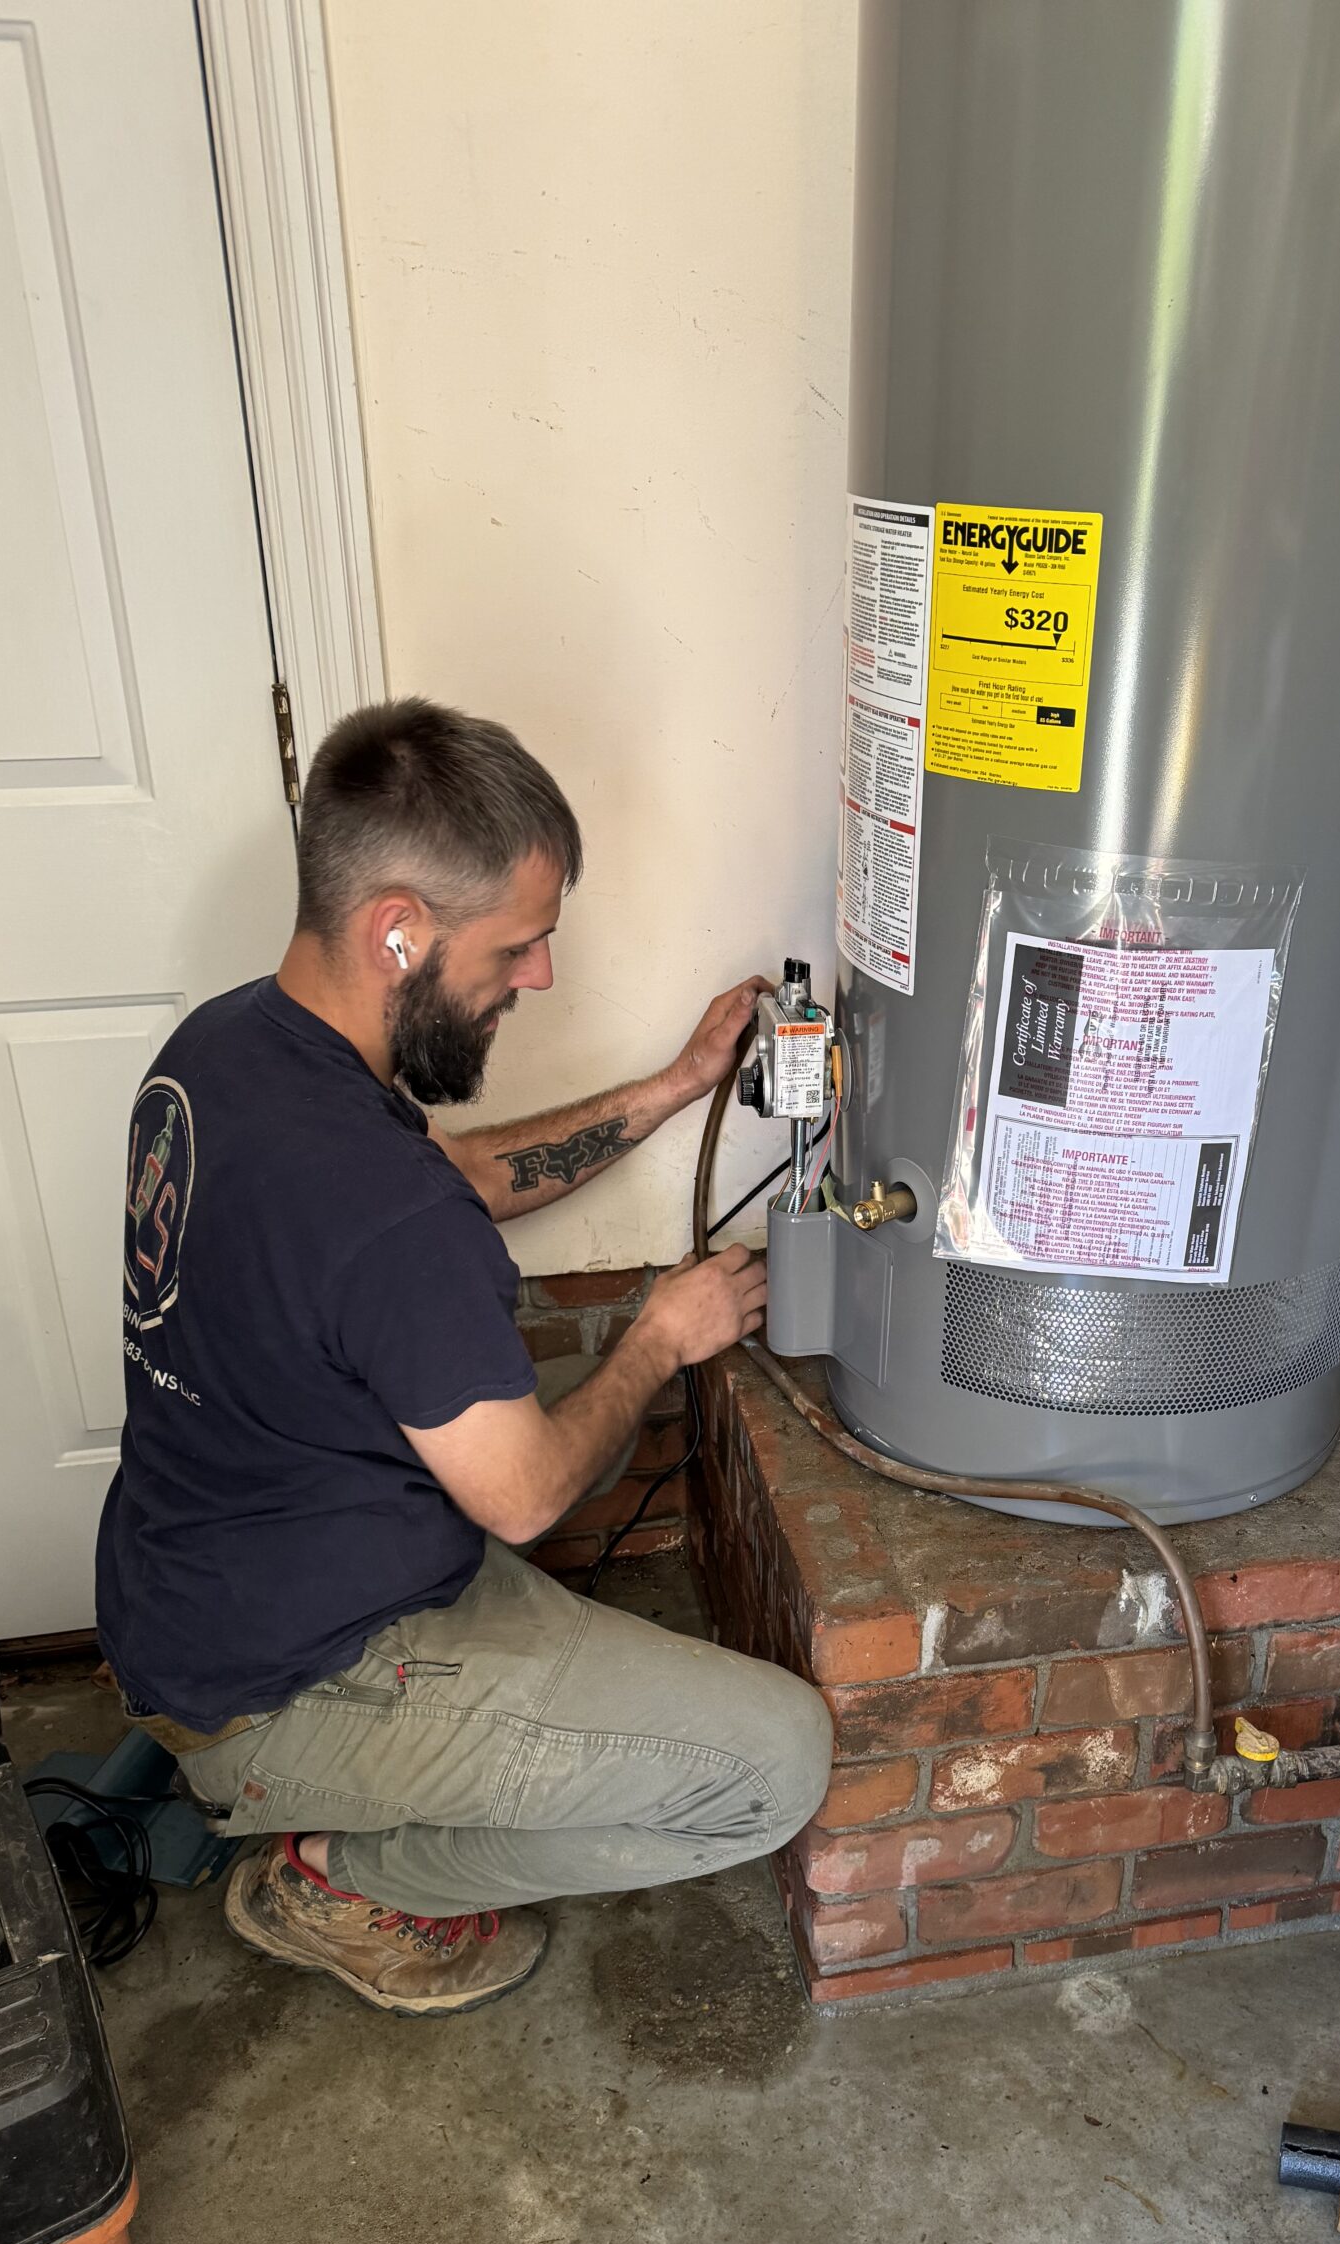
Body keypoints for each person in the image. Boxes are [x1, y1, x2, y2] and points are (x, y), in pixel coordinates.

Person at [96, 698, 832, 2016]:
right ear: (399, 928)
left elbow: (461, 1176)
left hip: (203, 1595)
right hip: (290, 1685)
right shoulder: (382, 1218)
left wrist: (670, 1086)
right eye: (522, 942)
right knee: (778, 1763)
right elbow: (530, 1494)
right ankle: (338, 1874)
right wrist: (662, 1333)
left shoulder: (222, 1052)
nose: (538, 975)